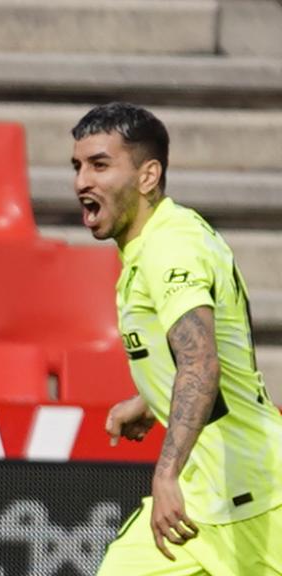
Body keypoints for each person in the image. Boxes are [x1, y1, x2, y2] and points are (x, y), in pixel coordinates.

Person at [70, 102, 282, 574]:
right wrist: (149, 399)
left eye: (100, 165)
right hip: (197, 507)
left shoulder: (170, 245)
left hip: (256, 500)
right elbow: (201, 352)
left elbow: (202, 362)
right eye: (78, 166)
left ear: (148, 176)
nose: (82, 180)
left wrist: (165, 473)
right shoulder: (155, 243)